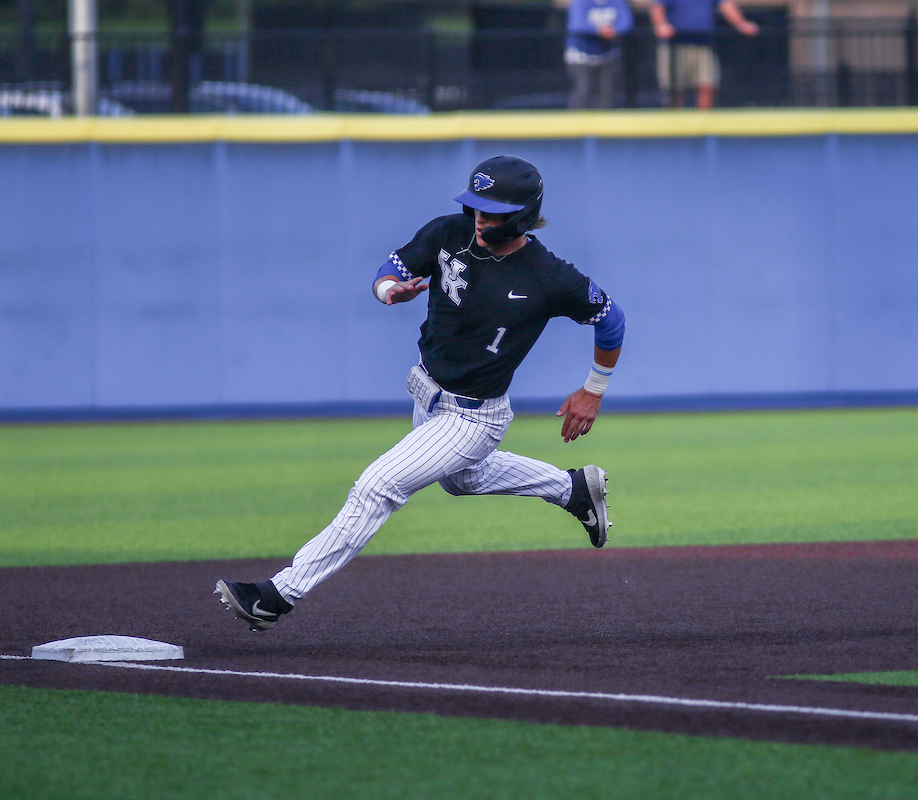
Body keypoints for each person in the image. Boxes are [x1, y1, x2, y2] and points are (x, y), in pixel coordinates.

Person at [216, 155, 626, 631]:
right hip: (428, 394)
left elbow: (611, 319)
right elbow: (389, 269)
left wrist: (592, 390)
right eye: (475, 206)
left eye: (490, 211)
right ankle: (572, 488)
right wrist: (389, 290)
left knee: (375, 487)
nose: (479, 218)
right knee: (462, 480)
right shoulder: (448, 232)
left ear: (520, 215)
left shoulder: (549, 276)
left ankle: (278, 595)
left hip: (475, 416)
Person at [649, 0, 758, 110]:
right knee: (674, 89)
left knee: (707, 85)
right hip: (675, 45)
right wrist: (660, 24)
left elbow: (726, 5)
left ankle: (703, 124)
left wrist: (741, 24)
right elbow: (657, 7)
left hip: (704, 44)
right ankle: (674, 124)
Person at [564, 0, 634, 109]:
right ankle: (576, 124)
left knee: (607, 94)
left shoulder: (618, 2)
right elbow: (577, 24)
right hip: (581, 55)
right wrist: (600, 30)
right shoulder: (580, 2)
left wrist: (612, 30)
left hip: (608, 54)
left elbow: (626, 23)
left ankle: (605, 125)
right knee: (583, 90)